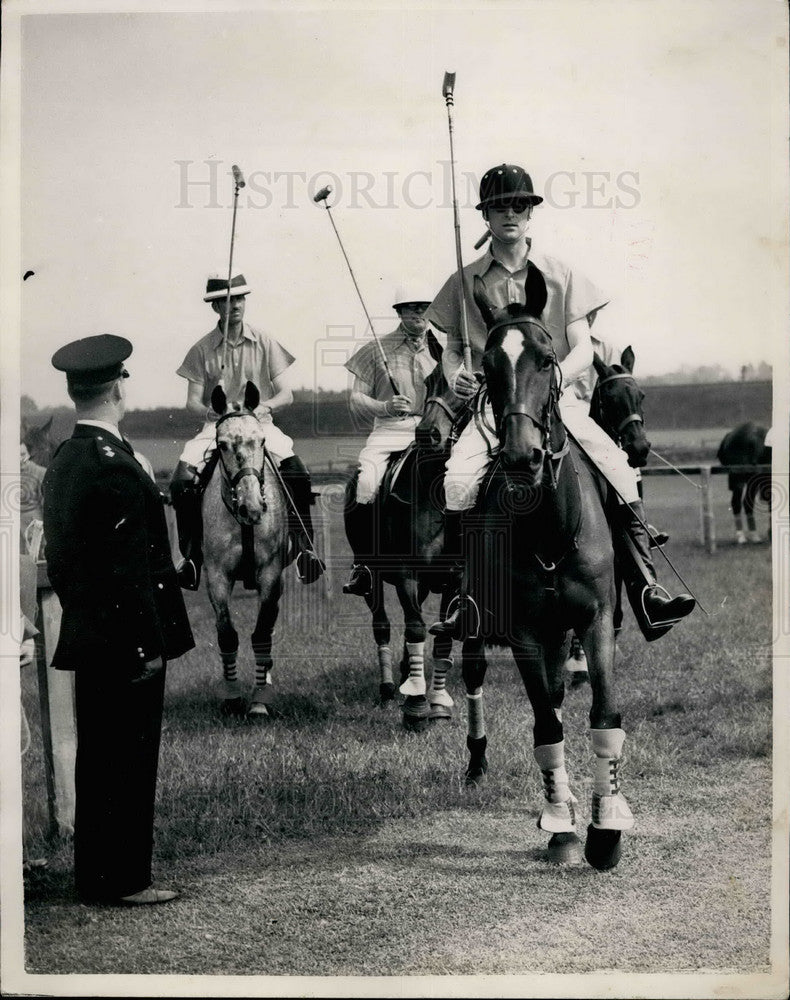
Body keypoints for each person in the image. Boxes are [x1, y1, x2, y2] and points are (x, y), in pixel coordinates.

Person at [426, 163, 695, 641]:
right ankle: (463, 595)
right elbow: (449, 350)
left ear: (530, 214)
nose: (510, 213)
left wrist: (553, 381)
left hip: (557, 401)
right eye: (499, 206)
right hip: (493, 406)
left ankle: (647, 588)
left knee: (615, 464)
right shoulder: (463, 279)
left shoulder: (561, 273)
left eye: (519, 205)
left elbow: (584, 347)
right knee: (457, 481)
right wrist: (458, 376)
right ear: (485, 215)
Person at [42, 334, 194, 906]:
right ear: (118, 386)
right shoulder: (112, 464)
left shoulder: (66, 459)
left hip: (94, 633)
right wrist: (141, 645)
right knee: (127, 759)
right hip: (126, 639)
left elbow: (66, 563)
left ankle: (97, 876)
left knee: (100, 758)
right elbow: (126, 572)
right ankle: (125, 879)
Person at [170, 274, 323, 590]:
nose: (235, 305)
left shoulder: (265, 341)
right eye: (227, 300)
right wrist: (210, 411)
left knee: (298, 473)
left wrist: (265, 407)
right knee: (181, 481)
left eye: (239, 298)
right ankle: (189, 558)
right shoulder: (201, 349)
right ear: (216, 307)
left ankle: (306, 549)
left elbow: (287, 394)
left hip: (260, 424)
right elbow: (191, 403)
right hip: (218, 426)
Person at [342, 285, 442, 595]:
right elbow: (356, 397)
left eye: (424, 306)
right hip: (390, 430)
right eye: (412, 308)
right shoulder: (376, 349)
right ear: (398, 312)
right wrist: (384, 406)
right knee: (366, 483)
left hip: (434, 431)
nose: (419, 314)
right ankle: (364, 565)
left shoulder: (443, 349)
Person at [19, 441, 45, 541]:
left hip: (34, 529)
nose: (20, 459)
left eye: (22, 454)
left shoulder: (40, 472)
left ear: (29, 455)